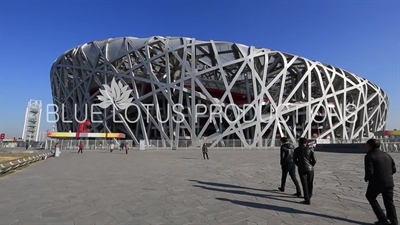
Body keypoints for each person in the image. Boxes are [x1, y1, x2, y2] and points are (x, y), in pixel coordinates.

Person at [364, 139, 398, 225]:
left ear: (370, 146)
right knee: (389, 202)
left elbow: (369, 171)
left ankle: (382, 218)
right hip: (389, 182)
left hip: (377, 182)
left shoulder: (369, 155)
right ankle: (394, 221)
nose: (366, 146)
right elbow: (394, 169)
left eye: (367, 144)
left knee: (370, 196)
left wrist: (368, 178)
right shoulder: (386, 155)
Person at [293, 137, 316, 205]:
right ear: (306, 142)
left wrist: (299, 165)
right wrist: (311, 165)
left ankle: (307, 199)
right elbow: (314, 160)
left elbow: (294, 160)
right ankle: (309, 195)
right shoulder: (310, 149)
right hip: (310, 169)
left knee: (304, 184)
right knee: (310, 183)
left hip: (301, 169)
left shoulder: (297, 150)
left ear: (299, 142)